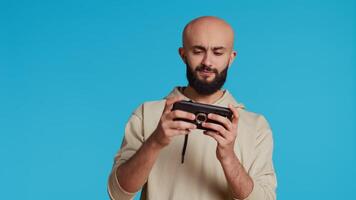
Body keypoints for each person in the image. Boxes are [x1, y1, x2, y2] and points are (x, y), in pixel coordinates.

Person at [107, 16, 277, 200]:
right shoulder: (146, 113)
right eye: (198, 51)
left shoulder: (256, 126)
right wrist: (155, 142)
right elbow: (118, 194)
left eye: (218, 53)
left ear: (231, 58)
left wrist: (228, 157)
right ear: (183, 54)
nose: (207, 62)